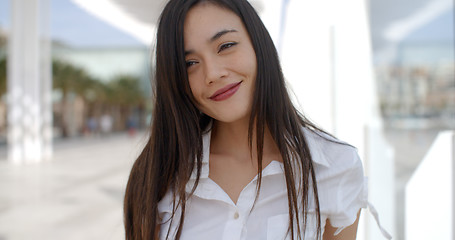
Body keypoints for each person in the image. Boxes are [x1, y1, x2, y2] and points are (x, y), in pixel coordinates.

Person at [124, 0, 391, 239]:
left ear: (258, 44)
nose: (212, 74)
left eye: (226, 46)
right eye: (189, 64)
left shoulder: (335, 167)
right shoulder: (158, 174)